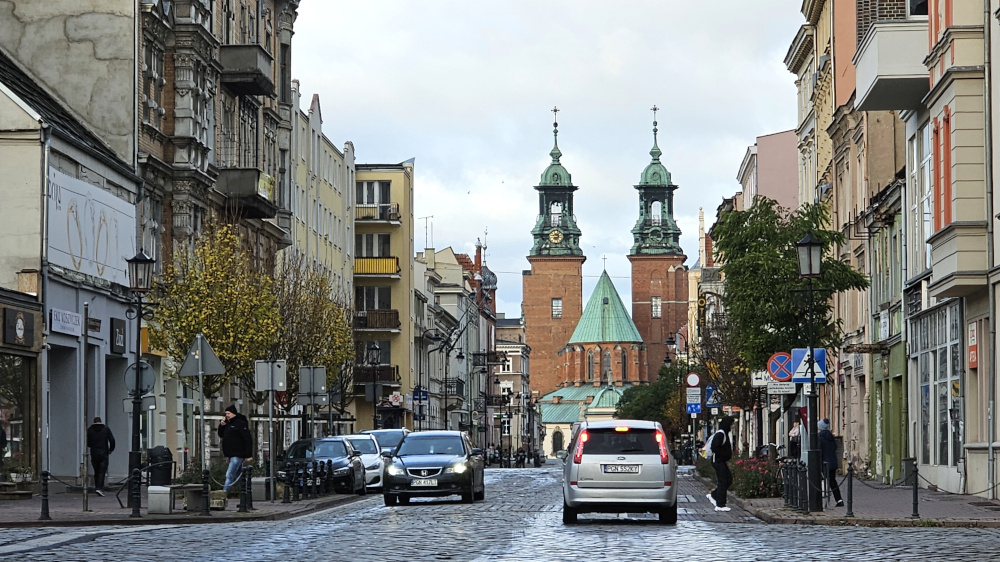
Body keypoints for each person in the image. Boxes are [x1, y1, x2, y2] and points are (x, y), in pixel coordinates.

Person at [218, 405, 253, 494]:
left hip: (238, 453)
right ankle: (245, 492)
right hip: (230, 454)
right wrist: (222, 425)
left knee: (229, 474)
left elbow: (247, 439)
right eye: (226, 414)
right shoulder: (228, 424)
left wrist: (248, 455)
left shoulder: (240, 424)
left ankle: (224, 493)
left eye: (228, 413)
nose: (227, 415)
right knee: (238, 475)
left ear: (233, 413)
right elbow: (220, 434)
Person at [706, 415, 734, 512]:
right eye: (731, 425)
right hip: (718, 461)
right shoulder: (721, 434)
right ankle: (720, 504)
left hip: (721, 461)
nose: (732, 427)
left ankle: (714, 495)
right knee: (723, 481)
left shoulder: (724, 434)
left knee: (728, 479)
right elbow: (715, 447)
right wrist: (724, 455)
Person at [86, 417, 115, 496]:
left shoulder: (90, 430)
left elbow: (88, 442)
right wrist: (110, 449)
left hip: (94, 453)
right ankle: (99, 488)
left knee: (96, 471)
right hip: (104, 452)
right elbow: (112, 440)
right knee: (102, 471)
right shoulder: (106, 429)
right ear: (101, 422)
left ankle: (97, 487)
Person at [818, 418, 844, 507]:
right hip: (833, 462)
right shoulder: (831, 437)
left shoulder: (820, 438)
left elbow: (820, 452)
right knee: (832, 481)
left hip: (824, 463)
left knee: (822, 481)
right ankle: (839, 500)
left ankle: (822, 500)